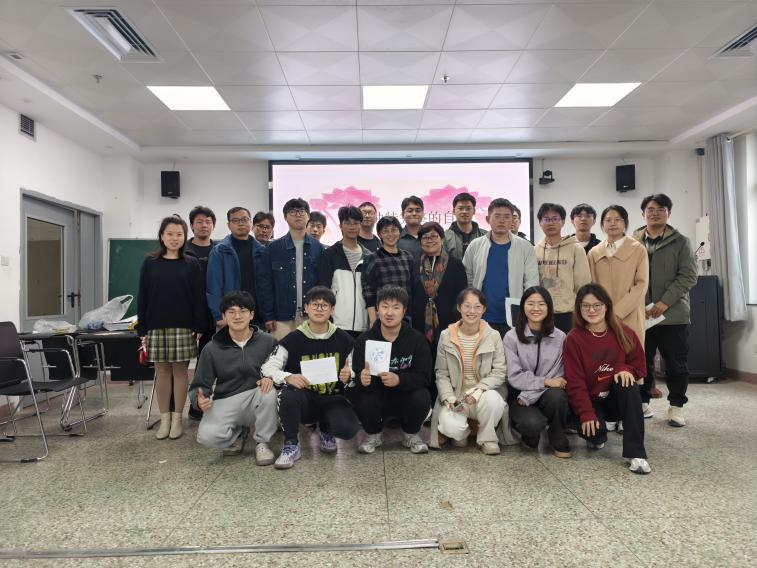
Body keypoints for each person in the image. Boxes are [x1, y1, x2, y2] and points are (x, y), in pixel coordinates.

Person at [261, 287, 358, 469]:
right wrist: (288, 376)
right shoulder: (292, 339)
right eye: (315, 304)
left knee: (347, 429)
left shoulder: (344, 339)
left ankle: (326, 428)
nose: (319, 309)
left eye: (325, 305)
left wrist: (350, 374)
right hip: (304, 399)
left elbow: (356, 369)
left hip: (333, 398)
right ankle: (291, 444)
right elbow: (267, 367)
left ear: (332, 310)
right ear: (306, 308)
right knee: (287, 394)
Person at [563, 284, 651, 474]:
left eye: (597, 305)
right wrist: (586, 413)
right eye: (585, 306)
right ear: (579, 309)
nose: (591, 310)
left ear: (607, 306)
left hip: (615, 398)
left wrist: (625, 369)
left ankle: (636, 454)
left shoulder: (624, 332)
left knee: (628, 383)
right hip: (591, 401)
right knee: (595, 436)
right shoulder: (574, 339)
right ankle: (598, 433)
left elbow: (640, 368)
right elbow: (575, 382)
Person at [188, 291, 278, 465]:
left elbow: (281, 371)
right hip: (227, 399)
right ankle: (238, 432)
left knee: (269, 392)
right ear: (223, 316)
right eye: (231, 312)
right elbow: (199, 385)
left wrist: (271, 378)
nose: (237, 316)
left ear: (251, 315)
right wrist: (199, 401)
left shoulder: (268, 342)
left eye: (243, 311)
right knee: (207, 437)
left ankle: (262, 442)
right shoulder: (211, 348)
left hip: (257, 397)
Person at [137, 215, 205, 440]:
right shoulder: (150, 263)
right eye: (170, 234)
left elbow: (198, 297)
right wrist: (142, 329)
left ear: (185, 237)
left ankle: (177, 420)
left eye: (179, 234)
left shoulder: (191, 263)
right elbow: (143, 297)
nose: (174, 238)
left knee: (180, 372)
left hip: (184, 326)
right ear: (161, 236)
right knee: (162, 372)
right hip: (156, 326)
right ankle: (164, 419)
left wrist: (199, 325)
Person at [632, 194, 698, 426]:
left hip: (673, 314)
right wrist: (637, 303)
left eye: (661, 209)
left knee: (676, 363)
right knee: (641, 361)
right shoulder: (633, 241)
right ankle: (643, 402)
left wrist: (664, 302)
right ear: (643, 214)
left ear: (669, 213)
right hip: (641, 314)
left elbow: (688, 276)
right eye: (650, 209)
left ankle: (676, 406)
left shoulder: (681, 242)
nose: (655, 213)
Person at [350, 286, 432, 455]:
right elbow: (356, 373)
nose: (389, 312)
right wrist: (361, 378)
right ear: (377, 308)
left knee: (422, 396)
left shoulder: (417, 340)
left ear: (404, 311)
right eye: (385, 306)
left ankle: (410, 435)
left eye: (396, 307)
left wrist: (399, 380)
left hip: (405, 395)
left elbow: (424, 377)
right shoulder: (364, 340)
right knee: (361, 395)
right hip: (376, 396)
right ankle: (373, 435)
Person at [431, 288, 508, 455]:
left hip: (483, 394)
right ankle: (465, 432)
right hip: (457, 397)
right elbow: (441, 373)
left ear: (484, 309)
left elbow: (499, 372)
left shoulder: (493, 336)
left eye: (477, 306)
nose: (472, 311)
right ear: (459, 307)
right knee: (451, 428)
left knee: (494, 401)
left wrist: (479, 390)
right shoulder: (446, 335)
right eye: (467, 306)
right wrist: (449, 398)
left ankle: (487, 439)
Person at [503, 287, 572, 458]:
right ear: (523, 307)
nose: (536, 308)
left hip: (544, 394)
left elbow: (558, 377)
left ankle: (557, 437)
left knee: (558, 396)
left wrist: (532, 394)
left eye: (541, 304)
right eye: (530, 303)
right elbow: (514, 377)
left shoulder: (560, 337)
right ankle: (530, 436)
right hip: (519, 396)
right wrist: (545, 382)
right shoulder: (511, 337)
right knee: (532, 424)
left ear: (549, 308)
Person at [463, 198, 539, 338]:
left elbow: (531, 283)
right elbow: (467, 278)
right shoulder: (475, 245)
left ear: (512, 220)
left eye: (506, 217)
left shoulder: (525, 247)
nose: (502, 221)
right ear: (487, 219)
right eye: (497, 216)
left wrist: (528, 312)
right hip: (481, 315)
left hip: (514, 317)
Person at [256, 197, 325, 341]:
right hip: (281, 318)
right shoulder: (273, 248)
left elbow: (323, 284)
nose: (298, 214)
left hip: (311, 315)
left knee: (310, 354)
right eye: (293, 211)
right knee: (282, 354)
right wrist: (268, 315)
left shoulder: (318, 248)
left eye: (302, 211)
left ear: (308, 216)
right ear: (285, 217)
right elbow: (265, 284)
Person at [587, 205, 649, 347]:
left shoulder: (638, 250)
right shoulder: (594, 253)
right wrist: (601, 312)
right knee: (603, 356)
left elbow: (641, 285)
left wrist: (617, 312)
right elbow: (591, 286)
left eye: (617, 219)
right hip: (601, 318)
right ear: (602, 224)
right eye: (608, 220)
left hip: (630, 316)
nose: (613, 223)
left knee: (629, 354)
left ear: (625, 223)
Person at [411, 222, 468, 358]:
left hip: (449, 323)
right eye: (425, 237)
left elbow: (462, 295)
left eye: (434, 236)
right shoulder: (415, 264)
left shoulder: (455, 264)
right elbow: (412, 293)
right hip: (420, 323)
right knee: (423, 359)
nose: (429, 240)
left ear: (442, 239)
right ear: (420, 242)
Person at [534, 203, 591, 333]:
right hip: (540, 313)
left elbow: (583, 284)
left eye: (555, 218)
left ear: (563, 222)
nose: (551, 223)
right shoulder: (535, 251)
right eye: (546, 219)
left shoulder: (576, 249)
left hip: (568, 314)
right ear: (540, 223)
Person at [183, 205, 216, 421]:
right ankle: (183, 409)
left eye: (208, 222)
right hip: (188, 315)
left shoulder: (220, 249)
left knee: (206, 364)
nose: (204, 225)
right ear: (192, 225)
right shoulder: (182, 251)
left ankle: (202, 406)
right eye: (199, 222)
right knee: (183, 367)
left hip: (213, 316)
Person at [207, 207, 264, 329]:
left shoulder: (261, 250)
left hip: (258, 315)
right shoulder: (220, 251)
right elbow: (214, 286)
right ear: (229, 225)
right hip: (230, 316)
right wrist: (218, 315)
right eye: (236, 220)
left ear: (251, 222)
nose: (241, 223)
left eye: (244, 219)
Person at [317, 206, 370, 337]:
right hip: (336, 324)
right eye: (347, 223)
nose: (352, 227)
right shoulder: (329, 255)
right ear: (340, 225)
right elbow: (323, 289)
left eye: (356, 223)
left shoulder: (369, 256)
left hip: (363, 324)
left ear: (361, 225)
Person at [362, 216, 417, 326]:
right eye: (385, 231)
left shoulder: (408, 257)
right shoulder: (372, 258)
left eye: (394, 230)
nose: (390, 234)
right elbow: (368, 291)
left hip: (405, 315)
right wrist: (373, 320)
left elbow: (412, 288)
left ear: (399, 232)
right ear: (379, 234)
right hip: (383, 315)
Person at [443, 192, 487, 259]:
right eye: (460, 208)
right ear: (454, 211)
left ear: (474, 211)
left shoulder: (485, 236)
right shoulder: (444, 237)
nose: (464, 211)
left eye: (468, 208)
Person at [396, 195, 424, 261]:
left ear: (423, 214)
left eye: (417, 210)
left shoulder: (432, 236)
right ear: (402, 214)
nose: (414, 213)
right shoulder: (395, 238)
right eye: (410, 211)